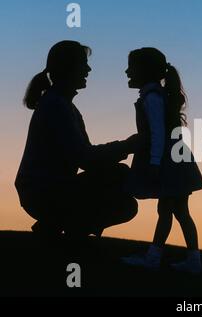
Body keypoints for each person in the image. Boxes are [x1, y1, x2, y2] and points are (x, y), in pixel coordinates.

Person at [15, 40, 139, 240]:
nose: (88, 69)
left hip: (44, 189)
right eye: (83, 63)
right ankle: (70, 230)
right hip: (43, 192)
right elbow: (84, 158)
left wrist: (124, 148)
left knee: (121, 182)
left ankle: (55, 225)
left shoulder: (63, 105)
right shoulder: (57, 106)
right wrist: (128, 146)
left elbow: (85, 156)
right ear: (68, 67)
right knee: (125, 200)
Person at [121, 47, 202, 274]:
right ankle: (191, 260)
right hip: (174, 158)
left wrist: (154, 163)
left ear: (145, 71)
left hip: (168, 160)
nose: (127, 72)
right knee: (177, 211)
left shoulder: (152, 98)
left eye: (132, 67)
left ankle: (155, 259)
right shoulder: (155, 95)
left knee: (170, 210)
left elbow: (158, 133)